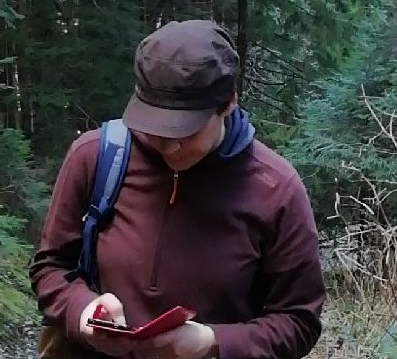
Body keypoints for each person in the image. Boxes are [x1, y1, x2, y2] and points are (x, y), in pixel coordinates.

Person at [30, 20, 326, 359]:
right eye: (156, 130)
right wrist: (83, 311)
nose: (170, 148)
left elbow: (299, 321)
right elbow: (50, 268)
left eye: (186, 133)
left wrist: (213, 342)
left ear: (228, 104)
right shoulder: (95, 157)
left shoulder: (275, 189)